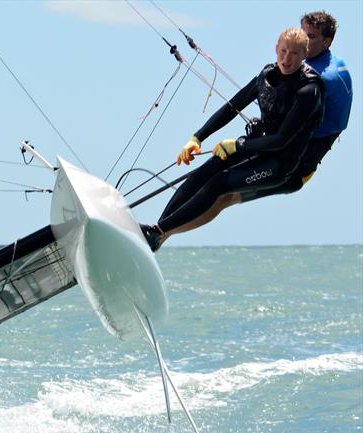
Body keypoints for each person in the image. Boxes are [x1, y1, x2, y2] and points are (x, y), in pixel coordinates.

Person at [141, 27, 324, 252]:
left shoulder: (308, 90)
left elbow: (282, 140)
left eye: (294, 54)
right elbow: (232, 107)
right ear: (276, 49)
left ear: (304, 55)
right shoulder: (266, 76)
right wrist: (197, 138)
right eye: (283, 51)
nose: (286, 59)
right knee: (206, 171)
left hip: (279, 164)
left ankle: (158, 232)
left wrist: (237, 145)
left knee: (219, 183)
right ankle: (156, 232)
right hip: (256, 148)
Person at [243, 10, 353, 202]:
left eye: (310, 37)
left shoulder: (317, 79)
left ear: (327, 42)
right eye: (302, 33)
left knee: (224, 194)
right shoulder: (336, 63)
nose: (303, 40)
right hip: (293, 152)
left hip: (296, 167)